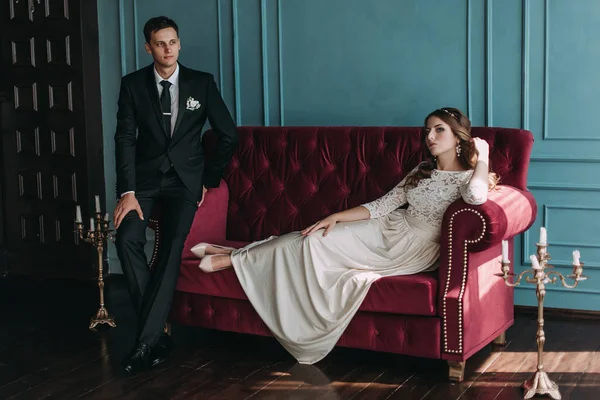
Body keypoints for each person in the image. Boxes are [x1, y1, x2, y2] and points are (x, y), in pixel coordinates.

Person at [191, 107, 495, 365]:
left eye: (439, 130)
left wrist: (482, 156)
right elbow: (382, 205)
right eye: (427, 130)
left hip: (409, 247)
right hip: (386, 227)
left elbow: (477, 196)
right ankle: (237, 255)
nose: (429, 137)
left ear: (458, 136)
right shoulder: (421, 170)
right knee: (314, 236)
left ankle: (233, 258)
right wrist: (335, 217)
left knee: (312, 244)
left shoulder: (470, 177)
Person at [113, 16, 238, 374]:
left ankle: (144, 344)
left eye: (172, 42)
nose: (167, 49)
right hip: (144, 182)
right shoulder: (133, 85)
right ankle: (155, 336)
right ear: (148, 47)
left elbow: (228, 134)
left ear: (179, 44)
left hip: (185, 182)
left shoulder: (202, 82)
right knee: (126, 238)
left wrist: (207, 180)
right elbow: (124, 138)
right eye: (160, 44)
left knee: (171, 248)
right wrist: (128, 191)